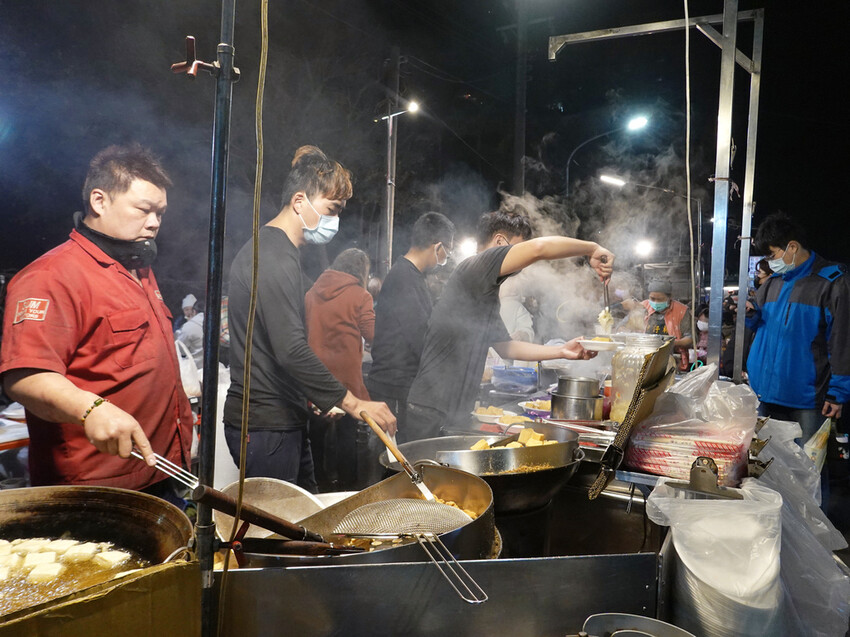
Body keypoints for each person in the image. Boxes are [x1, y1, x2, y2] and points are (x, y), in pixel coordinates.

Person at [0, 144, 192, 498]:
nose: (154, 222)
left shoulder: (138, 270)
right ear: (99, 201)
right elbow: (24, 377)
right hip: (95, 488)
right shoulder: (51, 276)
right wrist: (91, 409)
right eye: (144, 210)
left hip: (159, 471)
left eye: (160, 213)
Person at [223, 145, 396, 491]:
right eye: (332, 209)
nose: (335, 221)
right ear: (300, 202)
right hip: (264, 424)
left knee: (302, 528)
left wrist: (316, 397)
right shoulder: (272, 256)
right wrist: (354, 402)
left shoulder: (282, 253)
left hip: (284, 416)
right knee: (276, 537)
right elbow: (290, 348)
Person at [404, 210, 615, 442]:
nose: (522, 265)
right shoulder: (475, 266)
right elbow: (538, 249)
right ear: (499, 242)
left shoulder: (484, 291)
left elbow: (506, 347)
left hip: (455, 413)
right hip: (431, 411)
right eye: (517, 249)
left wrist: (563, 350)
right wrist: (592, 248)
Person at [746, 211, 849, 441]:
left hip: (807, 401)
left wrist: (838, 393)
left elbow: (842, 341)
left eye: (772, 254)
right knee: (767, 467)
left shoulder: (831, 283)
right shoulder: (772, 283)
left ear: (792, 247)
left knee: (807, 469)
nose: (770, 262)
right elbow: (758, 325)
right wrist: (749, 314)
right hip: (765, 394)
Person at [367, 212, 455, 434]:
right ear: (437, 247)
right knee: (396, 464)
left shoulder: (412, 276)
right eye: (448, 251)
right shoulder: (404, 279)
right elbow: (420, 338)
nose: (447, 257)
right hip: (393, 390)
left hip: (399, 389)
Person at [305, 248, 375, 490]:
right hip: (346, 380)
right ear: (361, 271)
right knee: (347, 439)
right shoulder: (360, 295)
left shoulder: (312, 292)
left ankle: (318, 489)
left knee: (316, 439)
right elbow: (372, 333)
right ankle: (346, 491)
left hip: (314, 378)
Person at [641, 279, 693, 371]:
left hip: (673, 361)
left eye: (660, 299)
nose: (655, 302)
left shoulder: (681, 311)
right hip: (644, 359)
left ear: (670, 297)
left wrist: (671, 343)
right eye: (652, 298)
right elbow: (625, 326)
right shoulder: (643, 306)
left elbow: (690, 338)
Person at [176, 295, 204, 367]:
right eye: (186, 310)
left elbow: (180, 349)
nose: (189, 312)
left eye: (190, 309)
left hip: (194, 366)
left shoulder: (189, 326)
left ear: (194, 311)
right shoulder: (179, 321)